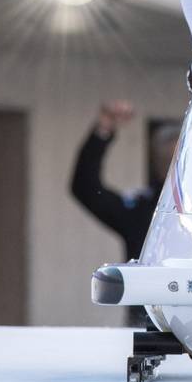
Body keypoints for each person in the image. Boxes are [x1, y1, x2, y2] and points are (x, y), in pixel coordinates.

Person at [69, 101, 179, 327]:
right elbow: (86, 188)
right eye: (170, 159)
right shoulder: (143, 207)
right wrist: (103, 131)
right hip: (148, 326)